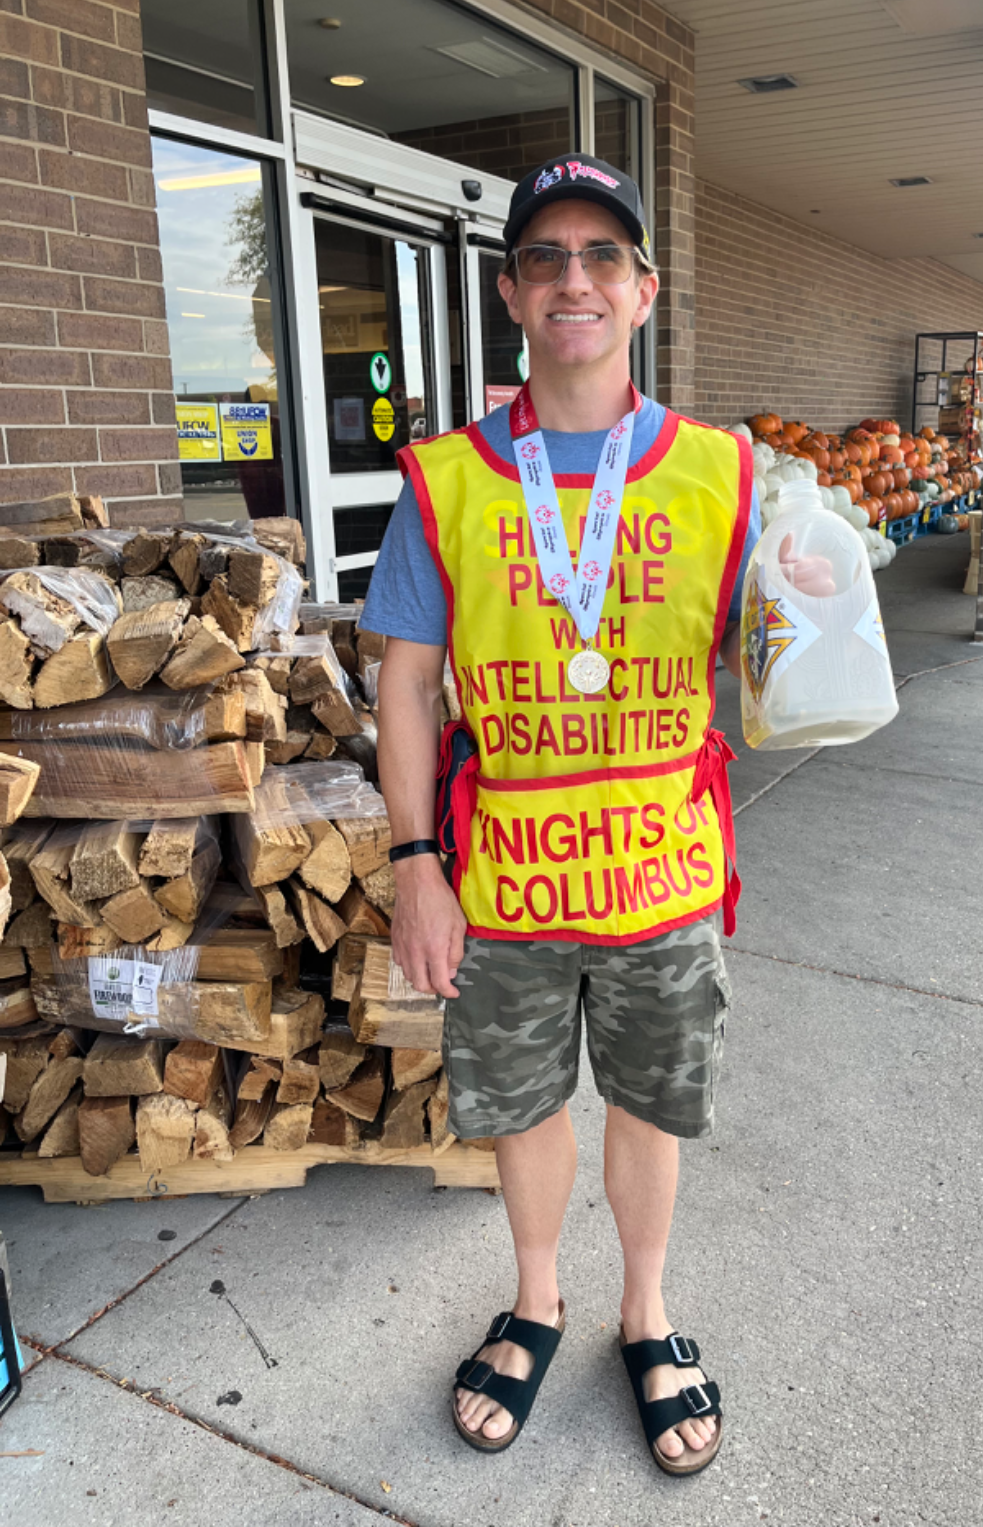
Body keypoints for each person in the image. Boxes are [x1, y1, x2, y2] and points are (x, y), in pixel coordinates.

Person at [360, 152, 759, 1477]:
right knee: (522, 1102)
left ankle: (644, 1311)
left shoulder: (721, 474)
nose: (573, 278)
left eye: (602, 256)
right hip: (507, 878)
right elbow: (406, 684)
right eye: (545, 256)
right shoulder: (447, 480)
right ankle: (537, 1300)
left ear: (644, 291)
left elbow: (778, 661)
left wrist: (811, 608)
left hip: (661, 873)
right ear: (510, 292)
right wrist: (415, 863)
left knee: (647, 1103)